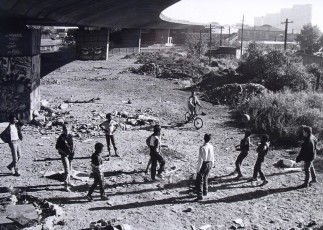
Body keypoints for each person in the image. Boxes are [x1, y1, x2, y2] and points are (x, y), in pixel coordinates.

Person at [55, 124, 75, 192]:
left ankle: (69, 181)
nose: (67, 131)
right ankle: (65, 186)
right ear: (63, 130)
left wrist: (72, 152)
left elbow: (71, 145)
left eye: (68, 130)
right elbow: (57, 147)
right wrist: (63, 152)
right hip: (64, 155)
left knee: (70, 169)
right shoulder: (61, 138)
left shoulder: (69, 136)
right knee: (66, 170)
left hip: (70, 154)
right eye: (65, 130)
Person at [195, 134, 215, 201]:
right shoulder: (211, 146)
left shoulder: (202, 147)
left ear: (204, 138)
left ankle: (200, 195)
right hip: (210, 163)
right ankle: (205, 191)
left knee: (200, 179)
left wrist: (198, 169)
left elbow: (200, 160)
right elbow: (213, 156)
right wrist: (212, 163)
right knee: (206, 177)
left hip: (204, 163)